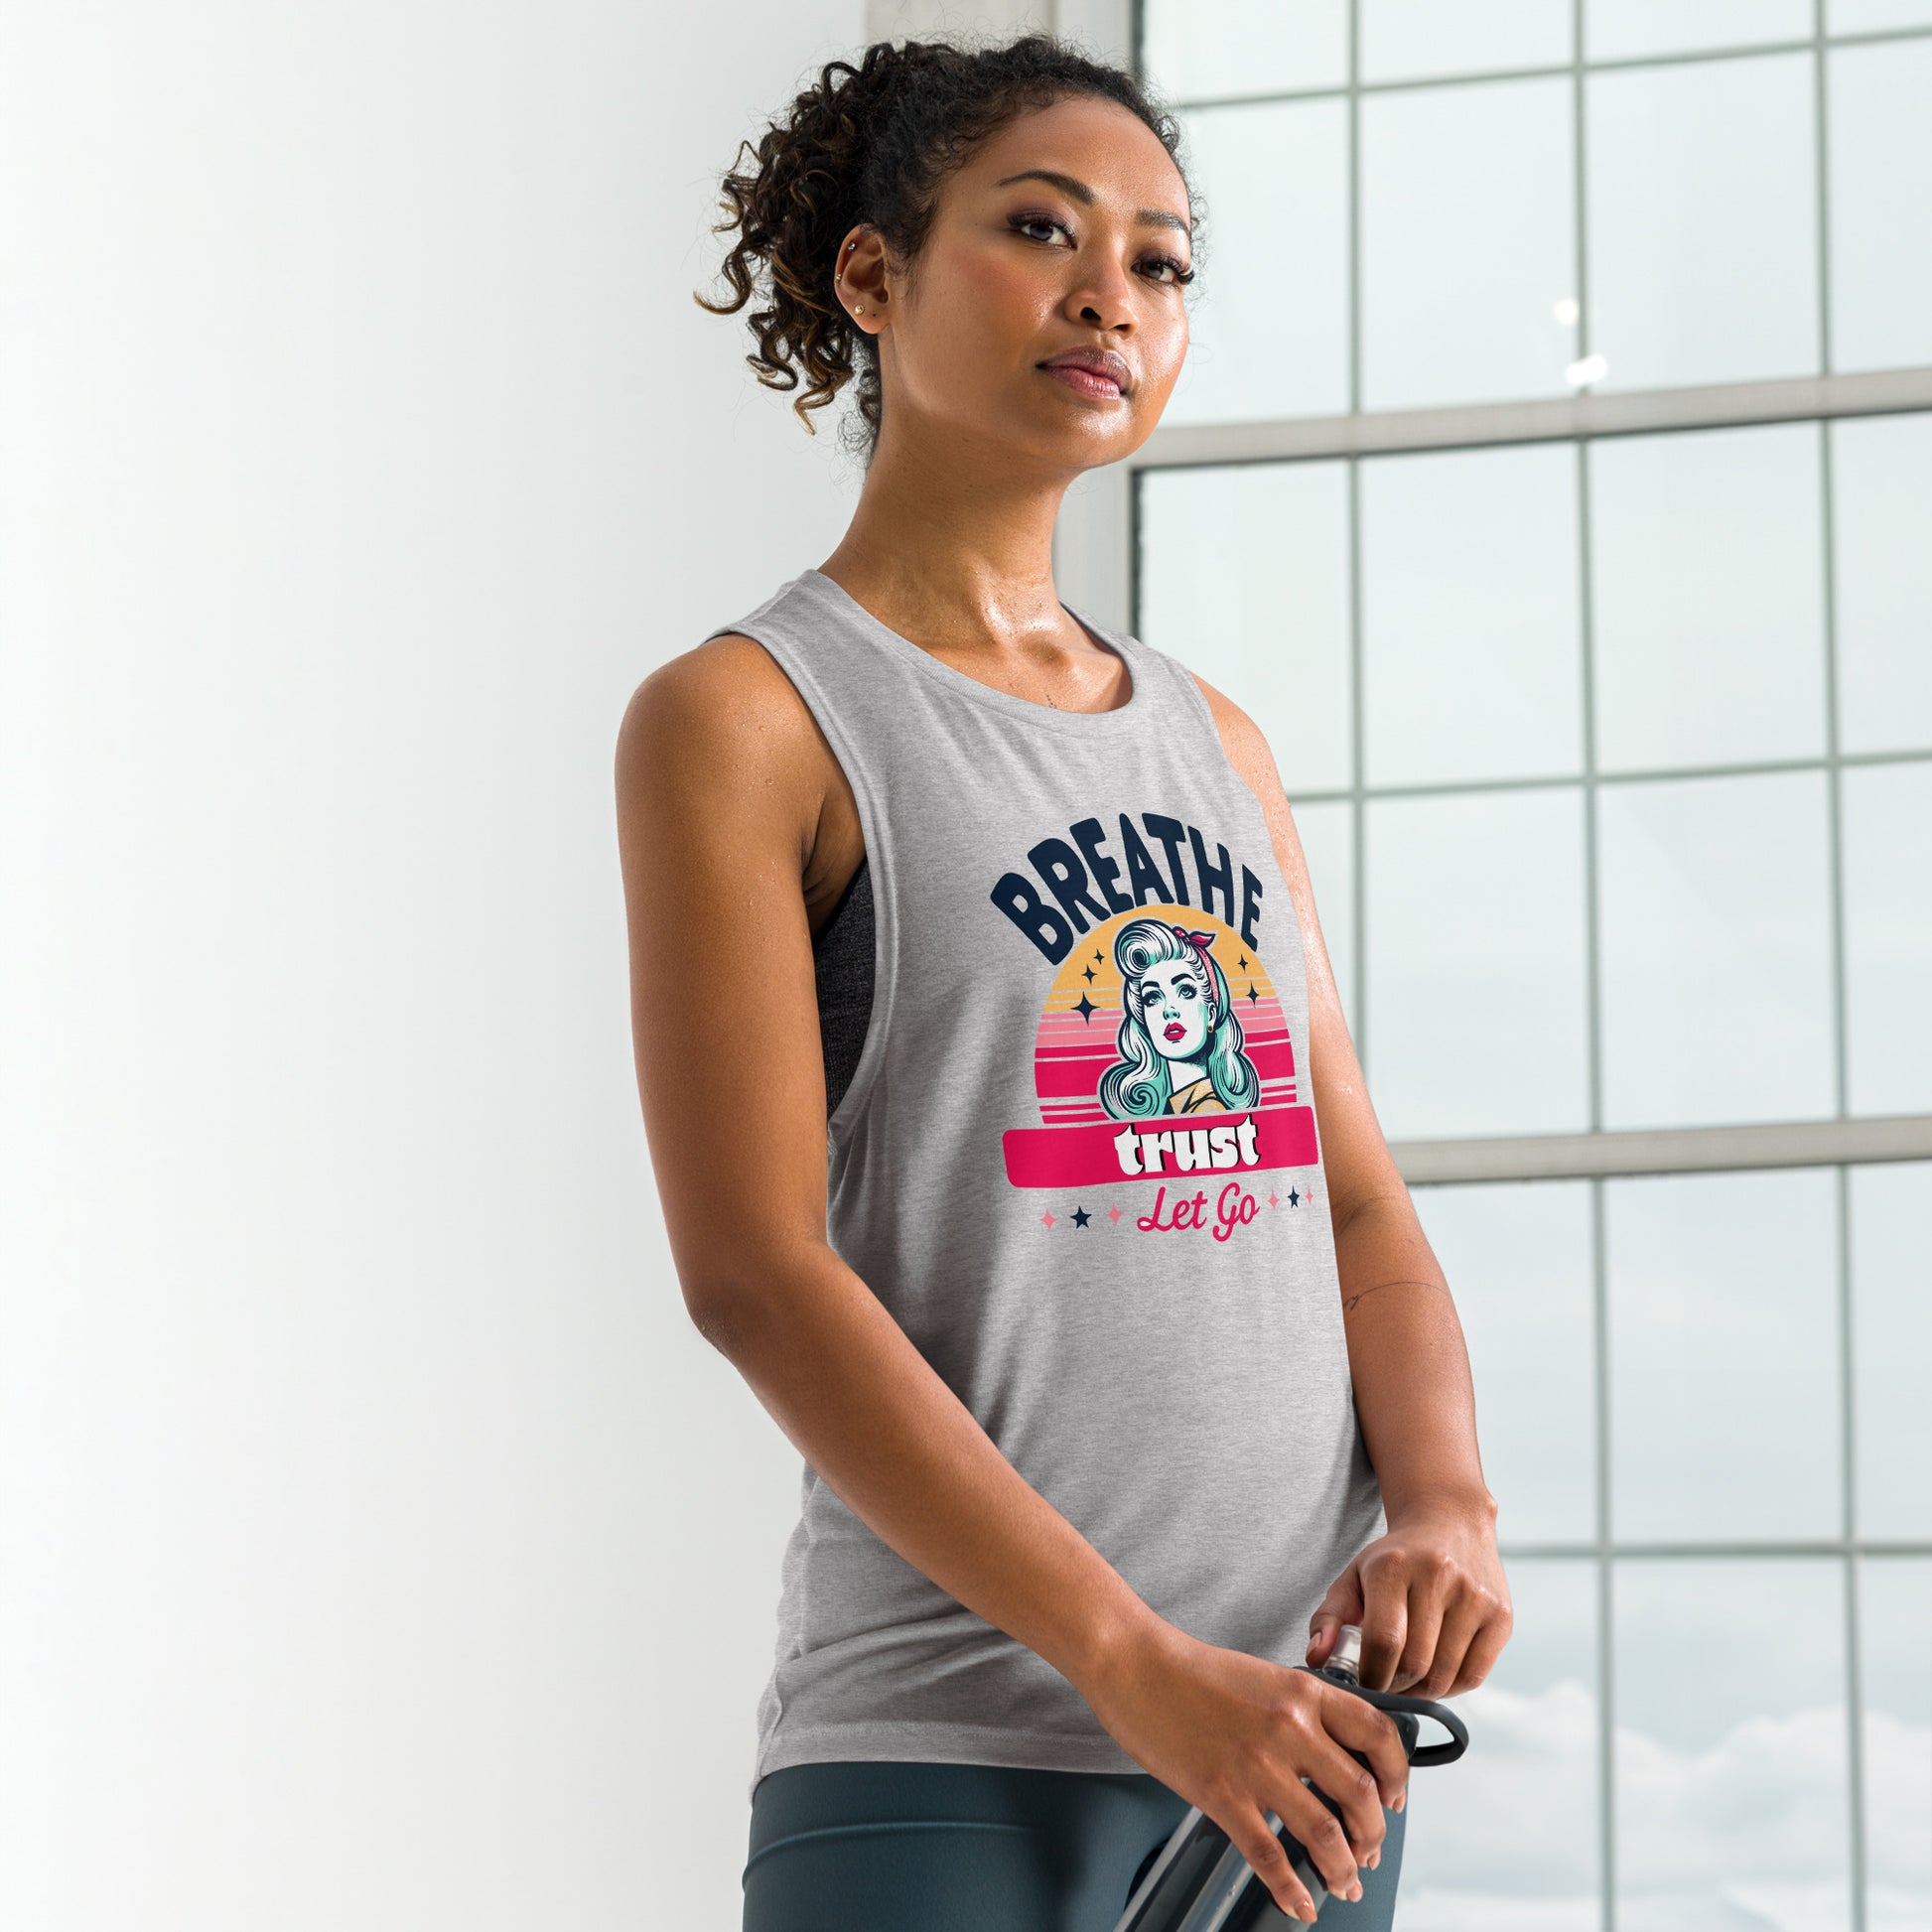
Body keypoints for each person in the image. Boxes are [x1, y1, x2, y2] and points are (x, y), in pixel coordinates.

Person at [614, 32, 1512, 1932]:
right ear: (873, 277)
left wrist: (1444, 1502)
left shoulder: (1218, 745)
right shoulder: (751, 720)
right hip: (950, 1753)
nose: (1111, 291)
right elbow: (756, 1274)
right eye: (1041, 229)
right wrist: (1131, 1663)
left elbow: (1348, 1202)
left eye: (1163, 260)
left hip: (1296, 1750)